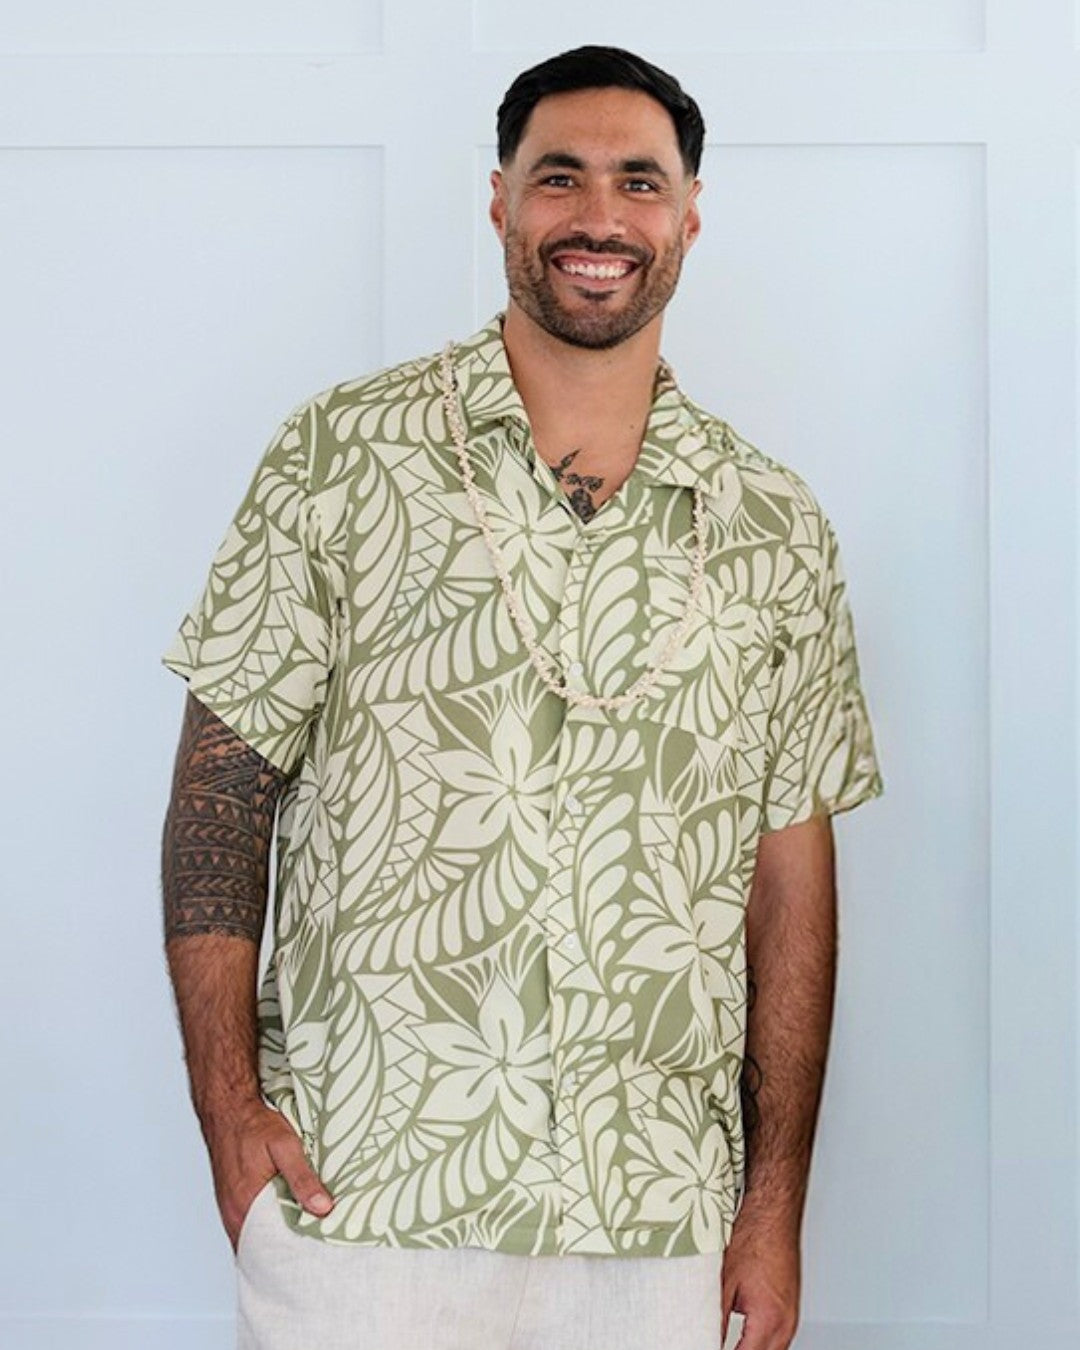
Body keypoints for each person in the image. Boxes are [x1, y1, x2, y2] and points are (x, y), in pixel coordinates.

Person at [161, 44, 883, 1350]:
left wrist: (774, 1204)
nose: (600, 217)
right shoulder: (341, 458)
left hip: (655, 1215)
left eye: (639, 182)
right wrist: (228, 1114)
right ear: (500, 200)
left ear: (690, 215)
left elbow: (791, 883)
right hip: (361, 1198)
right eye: (560, 177)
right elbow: (221, 794)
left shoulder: (774, 526)